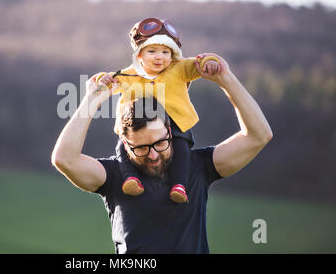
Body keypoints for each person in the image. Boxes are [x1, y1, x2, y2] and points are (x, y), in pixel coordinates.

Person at [51, 53, 273, 254]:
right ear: (125, 144)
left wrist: (226, 80)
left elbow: (259, 135)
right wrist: (91, 100)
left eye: (159, 143)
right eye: (141, 148)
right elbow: (65, 159)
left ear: (169, 131)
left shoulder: (198, 166)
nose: (153, 155)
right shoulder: (115, 175)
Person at [95, 17, 221, 203]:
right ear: (139, 56)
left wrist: (209, 61)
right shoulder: (131, 74)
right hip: (137, 125)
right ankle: (131, 178)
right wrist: (102, 79)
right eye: (152, 51)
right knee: (123, 146)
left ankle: (179, 185)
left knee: (181, 148)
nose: (159, 56)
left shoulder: (178, 68)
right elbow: (110, 79)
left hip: (174, 122)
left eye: (165, 52)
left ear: (173, 54)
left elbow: (198, 64)